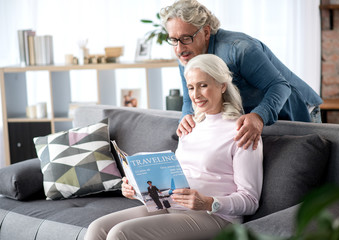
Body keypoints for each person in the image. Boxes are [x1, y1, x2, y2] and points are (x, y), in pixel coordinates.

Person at [84, 54, 263, 240]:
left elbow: (250, 201)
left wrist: (209, 202)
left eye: (203, 85)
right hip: (172, 208)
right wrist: (136, 191)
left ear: (222, 85)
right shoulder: (190, 126)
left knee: (120, 234)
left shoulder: (242, 131)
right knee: (98, 228)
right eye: (191, 87)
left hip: (216, 217)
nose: (196, 95)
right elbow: (168, 187)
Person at [160, 0, 323, 150]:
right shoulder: (187, 55)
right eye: (173, 40)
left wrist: (259, 116)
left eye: (186, 38)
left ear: (206, 32)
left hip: (296, 108)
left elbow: (279, 86)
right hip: (261, 114)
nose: (179, 49)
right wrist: (187, 115)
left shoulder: (240, 49)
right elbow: (189, 97)